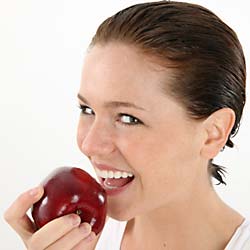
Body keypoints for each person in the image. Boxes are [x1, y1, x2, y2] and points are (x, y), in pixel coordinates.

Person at [4, 1, 249, 249]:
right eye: (87, 110)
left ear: (212, 134)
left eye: (128, 118)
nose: (90, 145)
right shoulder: (75, 239)